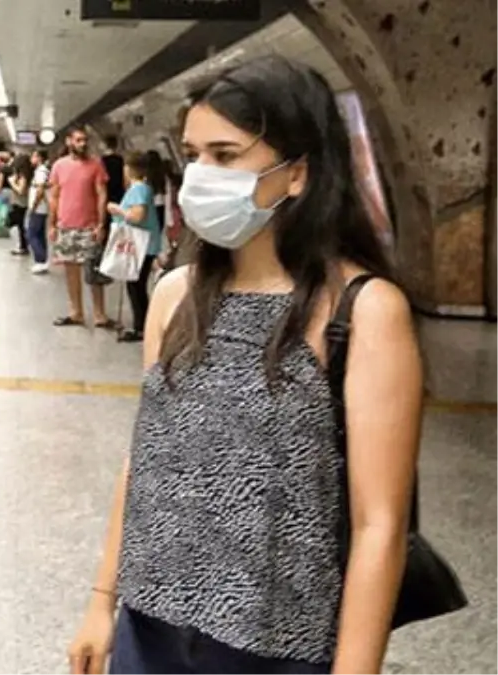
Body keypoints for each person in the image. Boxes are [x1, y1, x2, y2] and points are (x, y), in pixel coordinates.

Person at [67, 55, 421, 675]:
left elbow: (379, 526)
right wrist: (103, 602)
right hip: (149, 632)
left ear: (297, 174)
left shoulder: (363, 312)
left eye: (226, 156)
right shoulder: (176, 295)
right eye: (194, 155)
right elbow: (144, 460)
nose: (201, 176)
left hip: (277, 644)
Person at [48, 127, 110, 327]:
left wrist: (101, 224)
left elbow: (101, 195)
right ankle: (76, 312)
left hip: (89, 226)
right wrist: (51, 224)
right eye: (78, 140)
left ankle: (100, 314)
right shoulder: (59, 166)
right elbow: (54, 196)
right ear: (69, 142)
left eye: (84, 140)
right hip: (66, 226)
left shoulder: (95, 165)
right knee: (71, 271)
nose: (82, 144)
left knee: (93, 272)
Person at [106, 152, 162, 343]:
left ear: (128, 169)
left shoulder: (138, 189)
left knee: (136, 286)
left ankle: (142, 326)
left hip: (142, 245)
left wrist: (117, 209)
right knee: (136, 286)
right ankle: (142, 323)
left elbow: (138, 216)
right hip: (143, 244)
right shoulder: (144, 188)